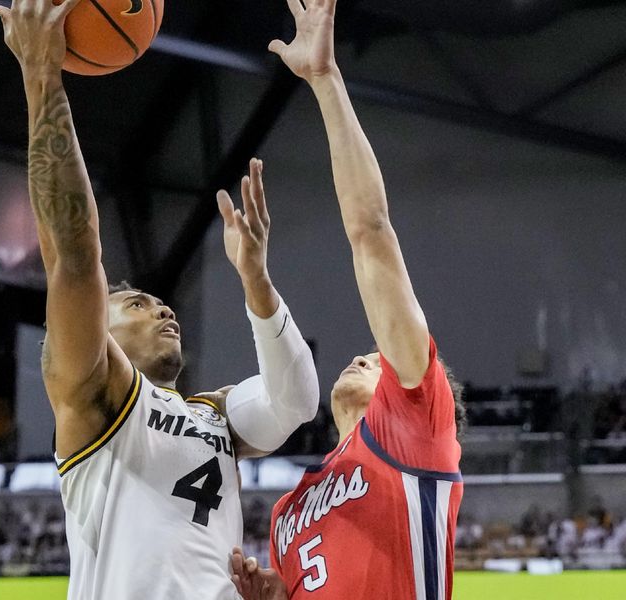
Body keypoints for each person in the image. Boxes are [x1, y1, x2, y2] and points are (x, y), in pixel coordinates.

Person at [0, 2, 319, 598]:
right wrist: (42, 79)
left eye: (158, 302)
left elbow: (294, 401)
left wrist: (256, 282)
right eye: (136, 303)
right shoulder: (94, 394)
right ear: (98, 328)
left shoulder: (213, 415)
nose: (162, 308)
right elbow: (72, 255)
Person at [232, 0, 465, 598]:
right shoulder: (287, 511)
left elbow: (371, 234)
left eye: (376, 356)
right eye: (363, 354)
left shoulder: (412, 421)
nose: (362, 358)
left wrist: (326, 81)